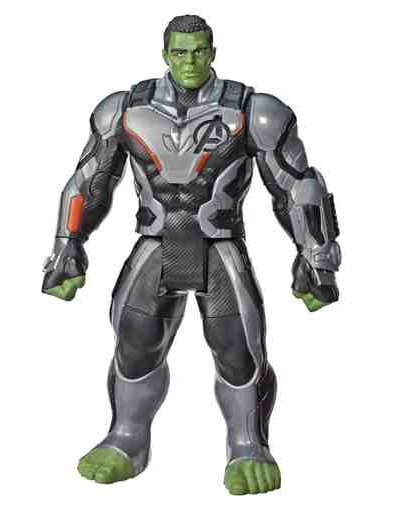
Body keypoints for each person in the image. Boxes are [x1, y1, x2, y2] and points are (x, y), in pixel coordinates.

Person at [42, 14, 341, 495]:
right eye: (180, 52)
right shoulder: (124, 109)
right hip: (155, 243)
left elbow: (297, 186)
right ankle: (126, 439)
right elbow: (89, 181)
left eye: (199, 50)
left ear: (213, 52)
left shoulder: (254, 111)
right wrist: (66, 247)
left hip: (219, 245)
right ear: (165, 54)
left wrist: (316, 257)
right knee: (134, 345)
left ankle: (247, 445)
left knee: (239, 352)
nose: (189, 61)